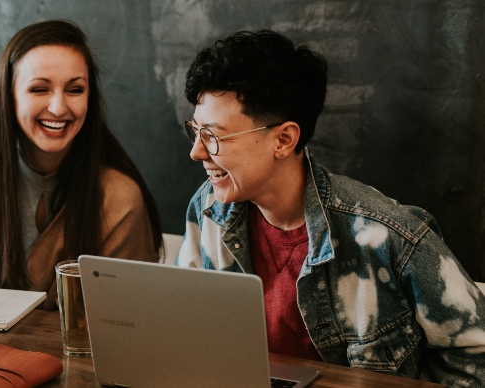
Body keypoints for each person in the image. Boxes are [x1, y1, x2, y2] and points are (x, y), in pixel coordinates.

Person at [175, 30, 485, 385]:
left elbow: (477, 360)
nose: (196, 152)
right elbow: (183, 327)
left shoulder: (389, 237)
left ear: (284, 139)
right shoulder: (209, 207)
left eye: (213, 136)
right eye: (195, 131)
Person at [0, 20, 161, 310]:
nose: (58, 107)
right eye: (39, 89)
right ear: (10, 97)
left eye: (75, 89)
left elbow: (129, 321)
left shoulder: (120, 198)